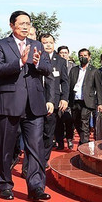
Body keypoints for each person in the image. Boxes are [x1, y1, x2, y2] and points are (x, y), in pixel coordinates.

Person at [0, 10, 52, 202]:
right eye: (21, 23)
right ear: (11, 25)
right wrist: (20, 62)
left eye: (28, 23)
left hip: (34, 104)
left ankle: (36, 188)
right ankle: (5, 185)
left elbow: (48, 69)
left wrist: (37, 63)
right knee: (5, 147)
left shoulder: (37, 45)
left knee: (36, 148)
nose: (25, 27)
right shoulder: (0, 45)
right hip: (9, 103)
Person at [39, 33, 69, 167]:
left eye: (50, 42)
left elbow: (65, 82)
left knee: (49, 132)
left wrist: (64, 98)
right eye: (45, 42)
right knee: (36, 131)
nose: (48, 45)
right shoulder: (36, 57)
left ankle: (44, 159)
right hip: (37, 99)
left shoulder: (61, 61)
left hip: (54, 101)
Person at [68, 48, 102, 145]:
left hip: (87, 101)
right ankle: (83, 138)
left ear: (89, 57)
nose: (83, 57)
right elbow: (70, 85)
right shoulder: (74, 70)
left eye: (85, 56)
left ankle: (84, 143)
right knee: (76, 121)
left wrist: (100, 103)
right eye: (81, 56)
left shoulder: (94, 71)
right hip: (75, 100)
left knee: (84, 121)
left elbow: (99, 88)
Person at [54, 45, 74, 149]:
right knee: (58, 120)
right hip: (57, 96)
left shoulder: (73, 67)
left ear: (68, 54)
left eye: (65, 53)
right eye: (61, 53)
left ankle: (70, 139)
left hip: (70, 97)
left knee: (69, 120)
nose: (63, 54)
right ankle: (59, 141)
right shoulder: (55, 64)